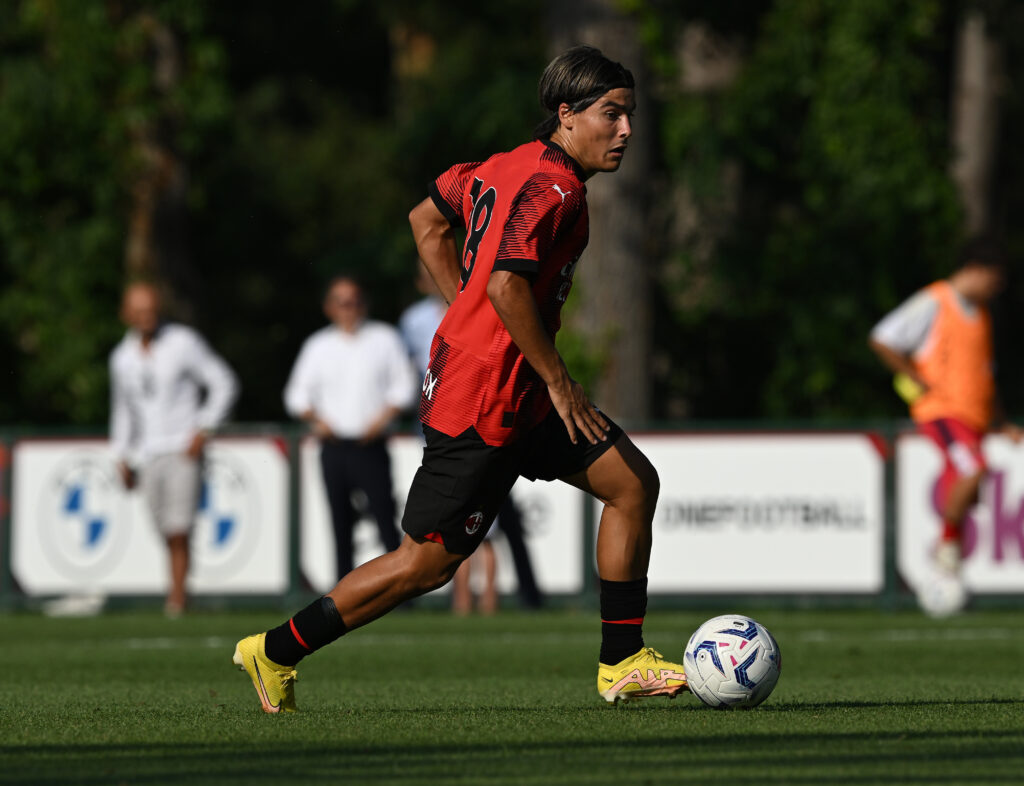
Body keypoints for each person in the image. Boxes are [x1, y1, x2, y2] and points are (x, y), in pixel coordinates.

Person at [234, 45, 687, 712]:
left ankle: (621, 661)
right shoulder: (555, 189)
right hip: (482, 399)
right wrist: (553, 375)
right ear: (566, 115)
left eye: (631, 116)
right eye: (612, 115)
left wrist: (465, 311)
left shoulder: (498, 168)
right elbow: (506, 284)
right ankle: (273, 650)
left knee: (630, 483)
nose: (625, 131)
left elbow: (426, 222)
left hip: (513, 386)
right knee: (425, 564)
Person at [869, 237, 1022, 601]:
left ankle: (946, 575)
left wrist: (1001, 422)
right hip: (942, 411)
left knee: (970, 489)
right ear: (976, 270)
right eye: (994, 280)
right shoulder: (935, 301)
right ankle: (945, 555)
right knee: (973, 470)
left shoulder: (981, 316)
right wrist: (913, 377)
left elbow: (986, 376)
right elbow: (884, 337)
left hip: (975, 418)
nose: (995, 289)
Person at [400, 260, 543, 612]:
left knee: (487, 522)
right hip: (440, 424)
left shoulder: (479, 306)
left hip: (482, 423)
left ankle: (495, 600)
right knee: (451, 526)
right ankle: (462, 602)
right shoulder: (414, 320)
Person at [110, 281, 238, 617]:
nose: (145, 317)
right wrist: (121, 454)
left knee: (180, 527)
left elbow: (223, 381)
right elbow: (123, 410)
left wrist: (204, 427)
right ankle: (180, 589)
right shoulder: (122, 358)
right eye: (138, 311)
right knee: (163, 527)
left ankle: (177, 597)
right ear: (126, 314)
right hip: (148, 454)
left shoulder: (183, 342)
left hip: (183, 449)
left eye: (150, 309)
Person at [284, 276, 418, 582]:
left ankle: (399, 589)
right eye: (342, 302)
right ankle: (343, 591)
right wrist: (318, 421)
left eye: (355, 301)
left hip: (371, 443)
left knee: (385, 517)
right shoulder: (318, 346)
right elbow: (296, 395)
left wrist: (382, 419)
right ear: (330, 307)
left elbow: (405, 386)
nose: (350, 308)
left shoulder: (384, 338)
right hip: (334, 445)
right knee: (340, 521)